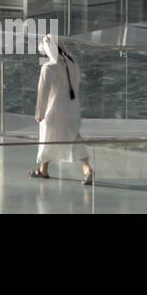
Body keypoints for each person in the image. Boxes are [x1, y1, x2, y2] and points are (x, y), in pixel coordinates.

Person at [31, 33, 93, 184]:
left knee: (46, 138)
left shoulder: (48, 68)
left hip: (53, 111)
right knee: (74, 138)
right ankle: (87, 169)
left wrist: (39, 113)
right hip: (72, 109)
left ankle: (43, 171)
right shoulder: (72, 64)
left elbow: (43, 93)